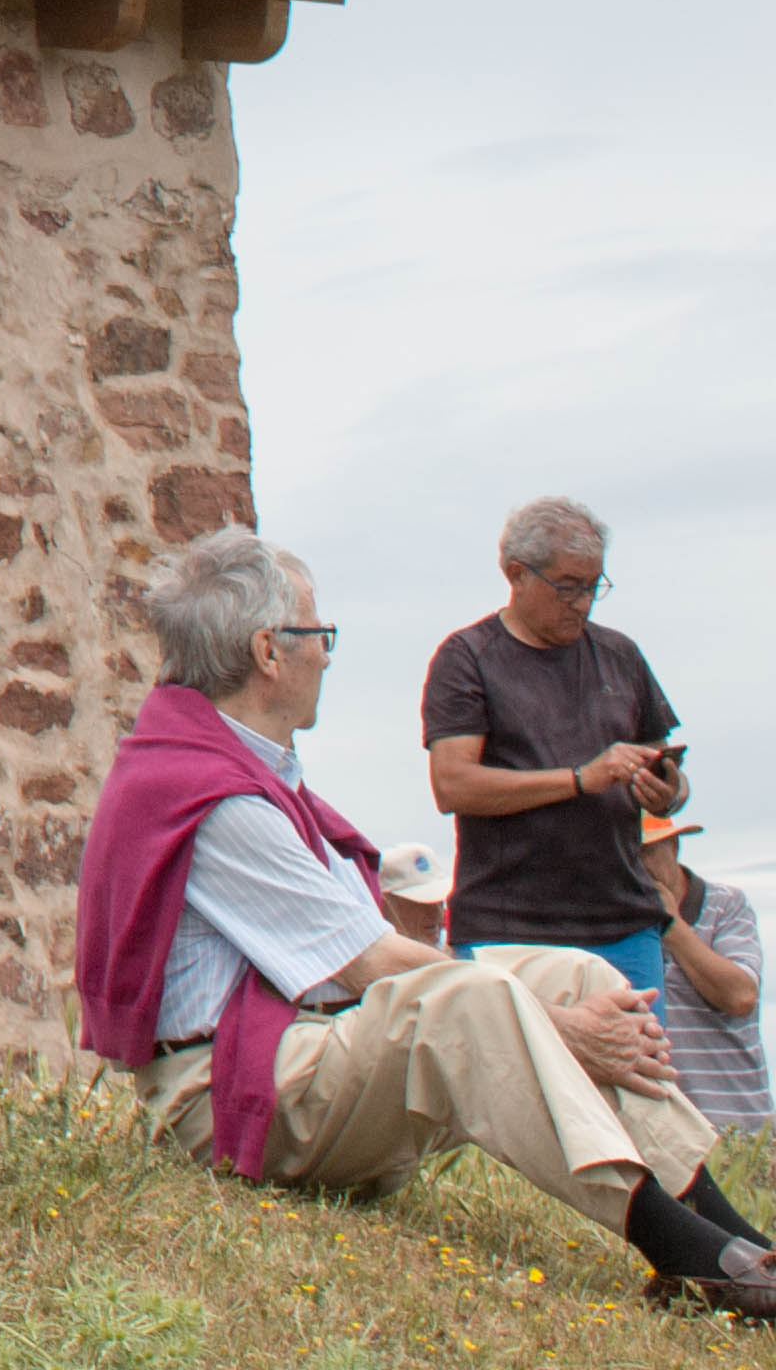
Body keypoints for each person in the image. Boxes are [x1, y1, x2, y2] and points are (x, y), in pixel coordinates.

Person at [77, 524, 776, 1319]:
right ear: (270, 651)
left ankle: (738, 1238)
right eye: (318, 636)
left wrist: (557, 1009)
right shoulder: (217, 799)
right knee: (475, 999)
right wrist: (558, 1031)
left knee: (573, 973)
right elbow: (369, 964)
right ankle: (687, 1253)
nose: (328, 656)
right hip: (230, 1099)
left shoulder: (237, 773)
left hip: (286, 1059)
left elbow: (363, 959)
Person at [427, 498, 688, 997]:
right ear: (517, 574)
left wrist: (666, 789)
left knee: (642, 1074)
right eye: (568, 586)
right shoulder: (467, 659)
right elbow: (452, 785)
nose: (583, 602)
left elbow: (665, 766)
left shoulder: (620, 655)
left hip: (624, 923)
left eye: (594, 586)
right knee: (517, 1076)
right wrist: (579, 780)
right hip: (509, 930)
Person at [651, 817, 769, 1130]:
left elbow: (741, 996)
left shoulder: (726, 905)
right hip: (664, 1138)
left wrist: (672, 926)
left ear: (673, 846)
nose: (637, 866)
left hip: (737, 1131)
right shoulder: (613, 922)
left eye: (646, 851)